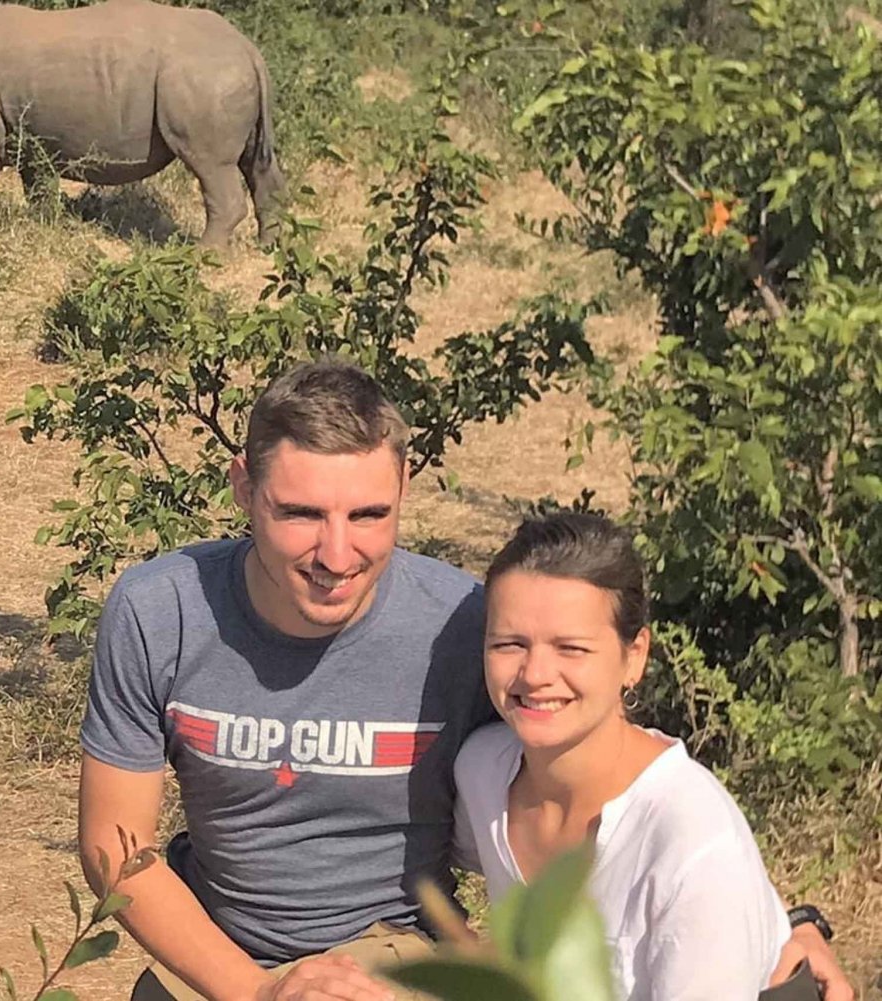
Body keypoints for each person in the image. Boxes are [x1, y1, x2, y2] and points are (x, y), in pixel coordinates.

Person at [76, 359, 852, 1001]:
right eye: (301, 513)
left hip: (395, 954)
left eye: (370, 514)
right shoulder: (161, 610)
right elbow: (119, 847)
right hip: (219, 949)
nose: (337, 553)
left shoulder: (463, 626)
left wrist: (780, 923)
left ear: (405, 488)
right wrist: (254, 991)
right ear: (244, 488)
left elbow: (615, 772)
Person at [452, 513, 811, 1000]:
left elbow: (715, 873)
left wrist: (788, 926)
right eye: (510, 644)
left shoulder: (693, 841)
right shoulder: (481, 774)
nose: (535, 674)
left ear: (634, 656)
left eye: (571, 648)